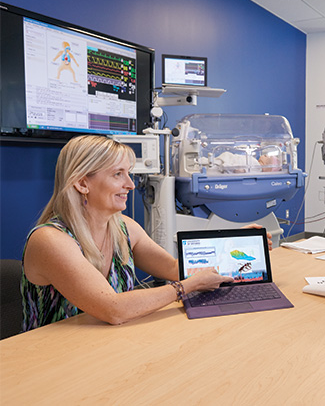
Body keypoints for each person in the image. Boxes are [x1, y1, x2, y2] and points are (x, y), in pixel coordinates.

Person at [21, 135, 268, 330]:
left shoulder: (124, 227)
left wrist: (234, 241)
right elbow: (113, 309)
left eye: (128, 173)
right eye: (118, 174)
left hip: (106, 345)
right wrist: (185, 288)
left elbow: (173, 268)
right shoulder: (51, 240)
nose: (129, 184)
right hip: (54, 359)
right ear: (82, 183)